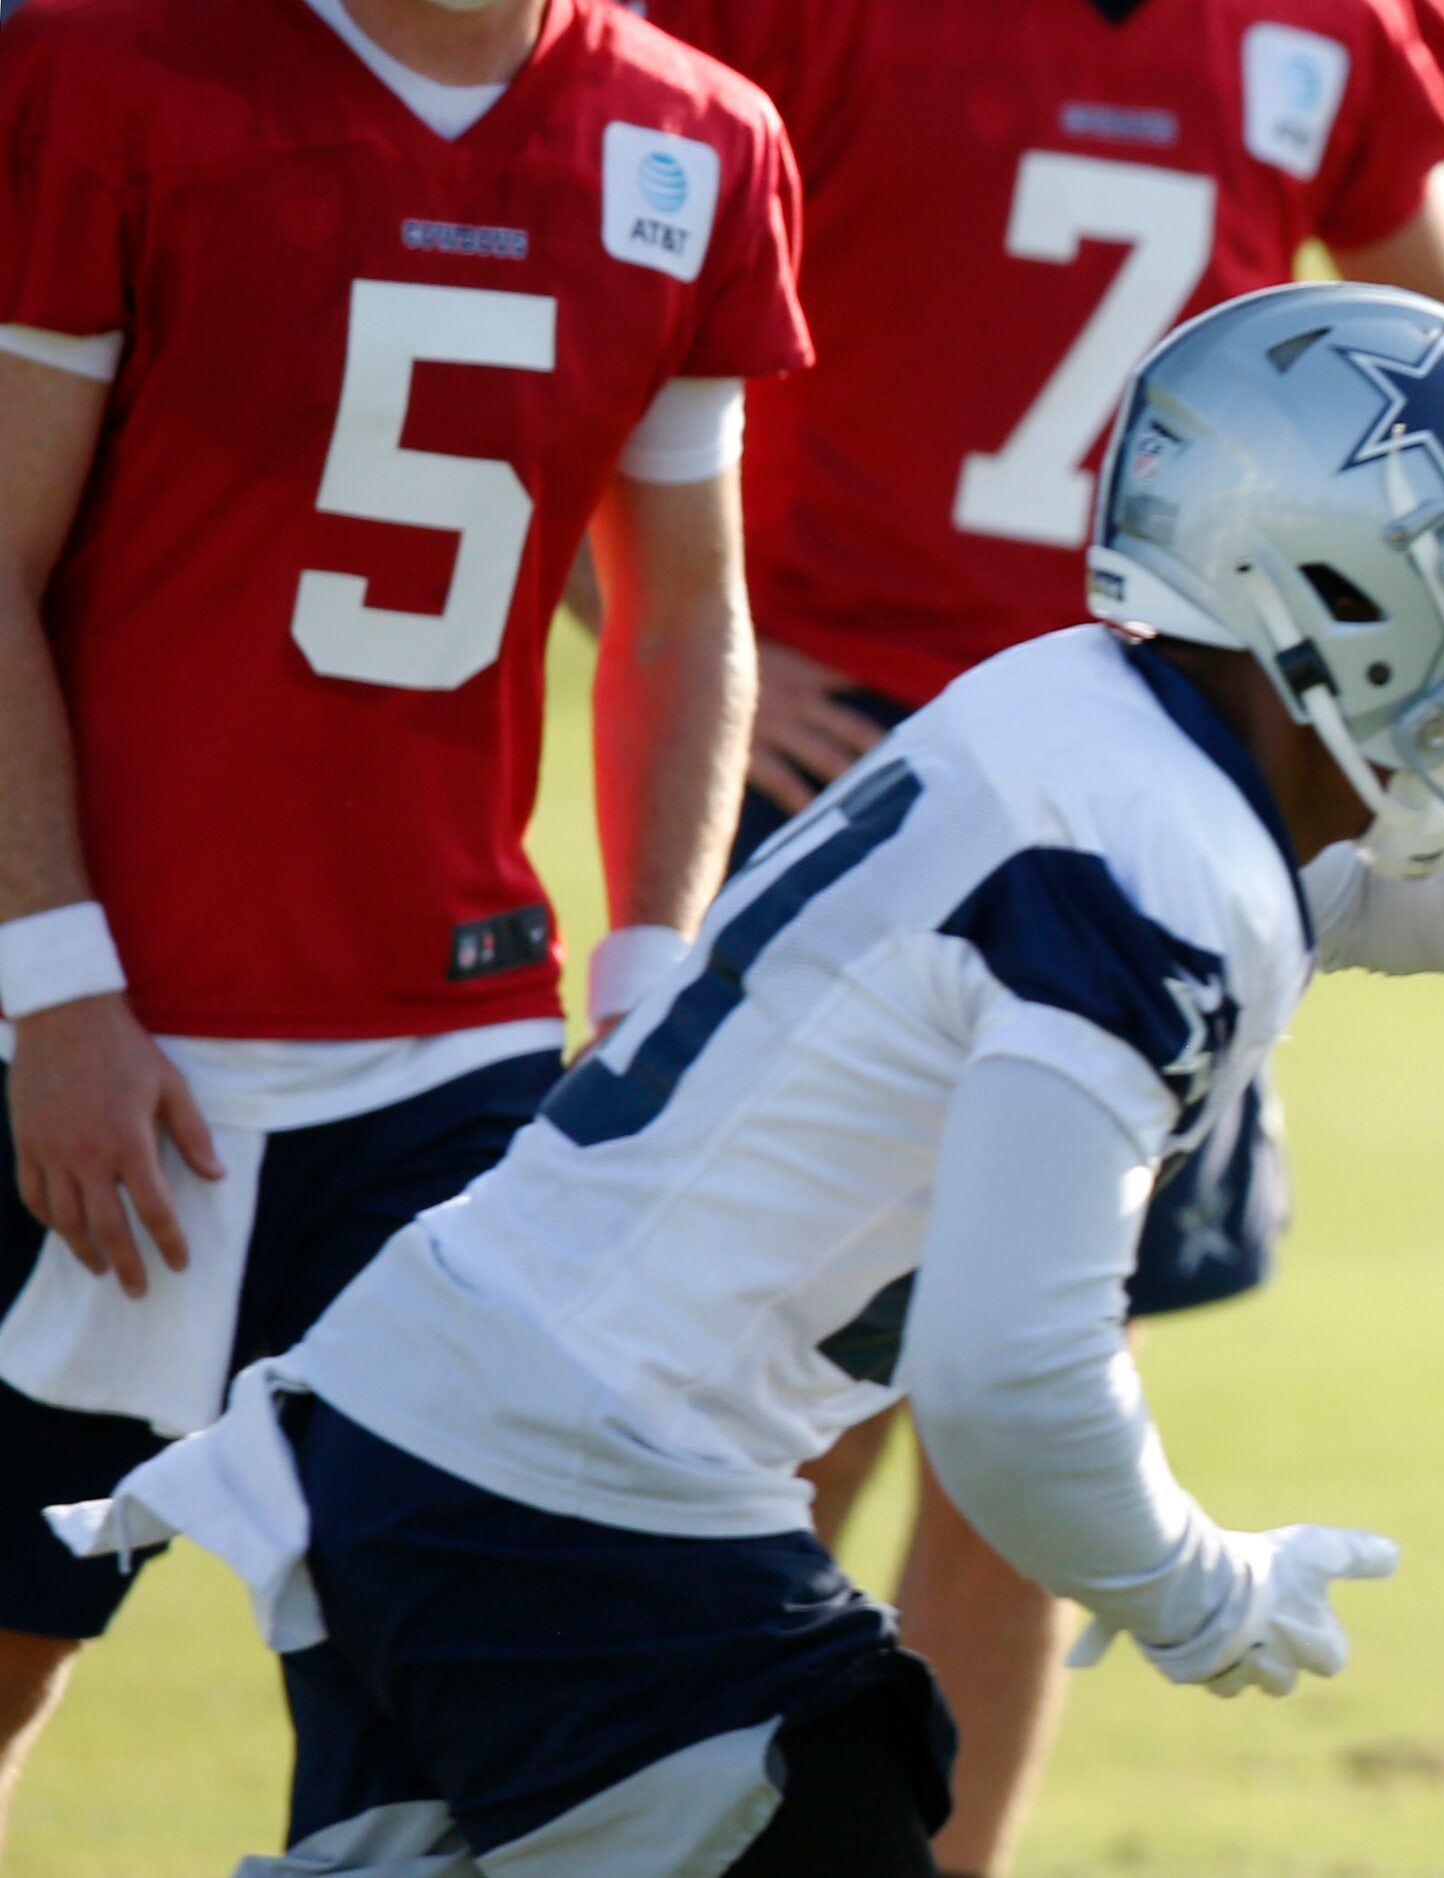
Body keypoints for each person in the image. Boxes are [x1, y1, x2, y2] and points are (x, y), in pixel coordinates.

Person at [54, 282, 1444, 1877]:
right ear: (1328, 589)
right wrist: (1187, 1582)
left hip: (429, 1419)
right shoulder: (1151, 866)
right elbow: (1010, 1377)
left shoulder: (1088, 708)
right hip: (581, 1499)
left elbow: (1335, 884)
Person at [619, 5, 1444, 1864]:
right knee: (778, 1407)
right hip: (868, 765)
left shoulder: (1324, 31)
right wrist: (688, 637)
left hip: (1161, 779)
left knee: (1021, 1439)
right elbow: (600, 317)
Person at [0, 0, 806, 1844]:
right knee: (10, 1633)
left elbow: (682, 609)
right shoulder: (116, 72)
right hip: (92, 1029)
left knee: (428, 1691)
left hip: (453, 1058)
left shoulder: (694, 137)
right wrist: (53, 981)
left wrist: (657, 974)